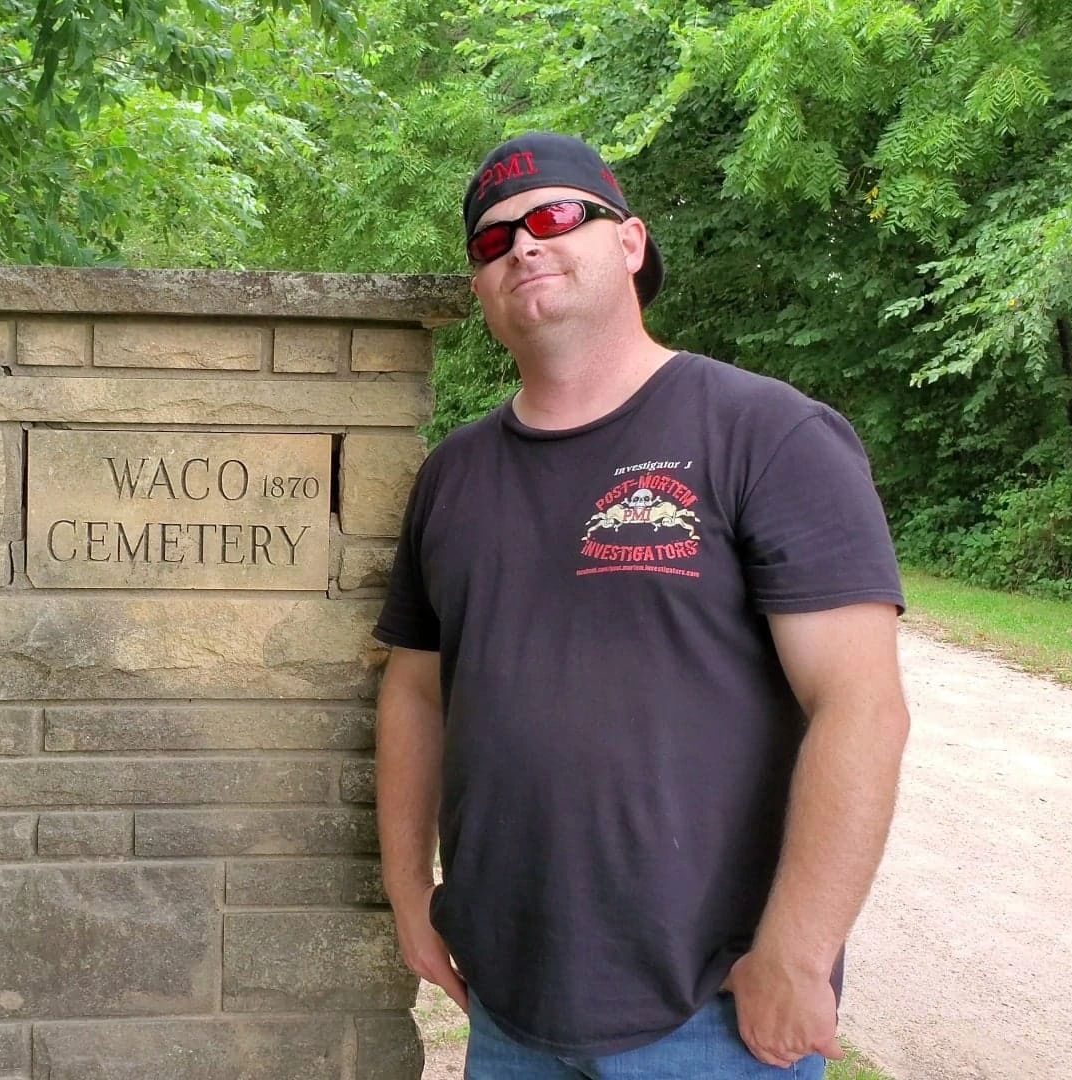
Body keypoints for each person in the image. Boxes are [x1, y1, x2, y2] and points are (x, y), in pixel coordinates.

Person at [373, 131, 911, 1079]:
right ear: (479, 292)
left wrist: (794, 952)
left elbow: (861, 707)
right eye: (492, 243)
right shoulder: (453, 474)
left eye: (554, 218)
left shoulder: (768, 434)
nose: (523, 248)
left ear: (630, 245)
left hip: (710, 1012)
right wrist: (410, 893)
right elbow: (417, 691)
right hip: (510, 1007)